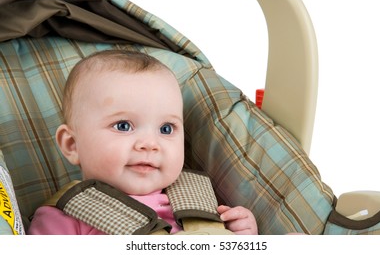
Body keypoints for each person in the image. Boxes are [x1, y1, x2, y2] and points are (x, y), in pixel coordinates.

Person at [28, 50, 258, 235]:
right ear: (72, 145)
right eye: (123, 126)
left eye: (166, 129)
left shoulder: (197, 198)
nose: (150, 144)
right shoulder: (65, 216)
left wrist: (243, 236)